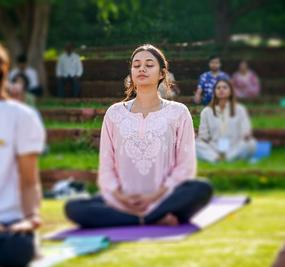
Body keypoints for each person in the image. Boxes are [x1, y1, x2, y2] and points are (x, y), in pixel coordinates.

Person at [65, 44, 213, 228]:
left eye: (149, 64)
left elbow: (186, 164)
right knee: (74, 207)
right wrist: (120, 196)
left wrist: (156, 195)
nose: (142, 68)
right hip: (123, 202)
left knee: (201, 188)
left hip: (165, 199)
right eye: (136, 65)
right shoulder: (114, 113)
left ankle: (146, 215)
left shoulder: (178, 112)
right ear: (131, 73)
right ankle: (147, 219)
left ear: (161, 73)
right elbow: (106, 165)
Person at [0, 44, 46, 267]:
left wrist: (30, 218)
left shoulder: (22, 116)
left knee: (16, 249)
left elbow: (29, 181)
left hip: (8, 227)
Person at [196, 79, 256, 163]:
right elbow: (203, 135)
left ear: (231, 91)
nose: (221, 90)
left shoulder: (240, 109)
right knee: (195, 144)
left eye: (225, 87)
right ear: (214, 92)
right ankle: (216, 158)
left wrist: (245, 136)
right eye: (218, 88)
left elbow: (245, 131)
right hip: (214, 147)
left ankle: (226, 158)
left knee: (251, 144)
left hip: (234, 146)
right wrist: (201, 139)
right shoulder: (206, 111)